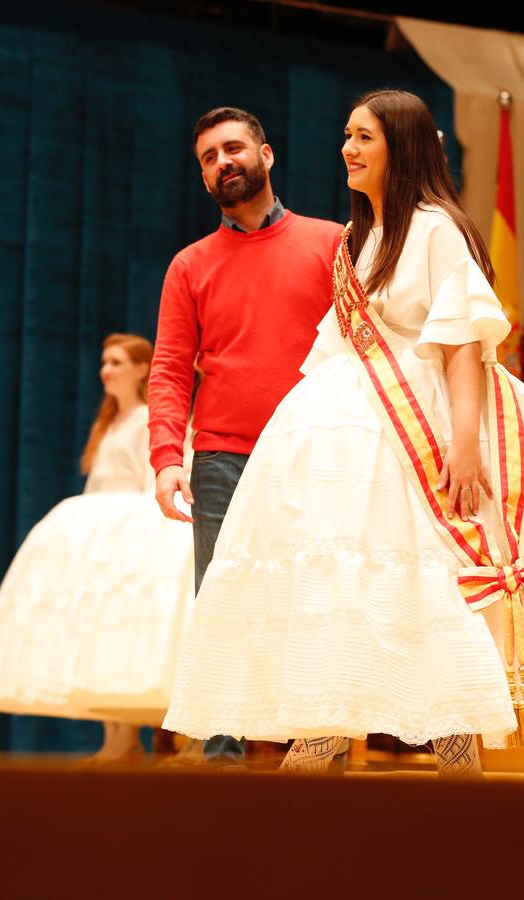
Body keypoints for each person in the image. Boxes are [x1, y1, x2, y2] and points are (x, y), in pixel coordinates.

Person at [163, 89, 524, 777]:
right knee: (355, 581)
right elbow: (337, 345)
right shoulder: (360, 240)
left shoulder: (435, 228)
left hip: (424, 424)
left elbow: (463, 344)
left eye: (364, 137)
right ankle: (330, 728)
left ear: (400, 146)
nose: (348, 148)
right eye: (346, 134)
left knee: (433, 583)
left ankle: (452, 749)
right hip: (356, 435)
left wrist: (464, 446)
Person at [149, 107, 343, 765]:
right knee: (225, 610)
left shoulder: (333, 243)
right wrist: (165, 458)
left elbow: (366, 353)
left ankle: (323, 751)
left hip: (315, 454)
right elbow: (170, 368)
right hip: (223, 460)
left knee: (320, 601)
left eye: (233, 148)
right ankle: (222, 768)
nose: (222, 162)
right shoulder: (189, 265)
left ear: (267, 154)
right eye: (208, 156)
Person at [0, 333, 195, 763]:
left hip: (132, 531)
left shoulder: (146, 420)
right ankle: (117, 738)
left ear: (142, 369)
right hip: (101, 534)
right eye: (104, 362)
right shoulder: (110, 424)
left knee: (132, 629)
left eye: (117, 362)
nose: (107, 370)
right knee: (97, 631)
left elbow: (148, 480)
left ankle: (180, 735)